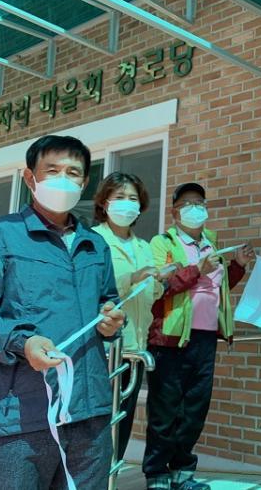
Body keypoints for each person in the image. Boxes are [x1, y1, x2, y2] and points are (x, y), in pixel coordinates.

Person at [0, 135, 125, 489]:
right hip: (14, 417)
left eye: (73, 173)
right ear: (30, 178)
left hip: (87, 415)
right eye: (52, 170)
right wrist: (22, 342)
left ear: (84, 182)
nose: (64, 179)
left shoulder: (95, 245)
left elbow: (108, 303)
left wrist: (112, 322)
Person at [143, 183, 256, 490]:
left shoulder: (211, 243)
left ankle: (183, 473)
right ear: (174, 212)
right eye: (187, 203)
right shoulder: (162, 243)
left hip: (205, 339)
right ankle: (156, 473)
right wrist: (197, 269)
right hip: (169, 339)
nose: (195, 208)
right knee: (165, 411)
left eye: (200, 202)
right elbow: (160, 287)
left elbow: (217, 289)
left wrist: (238, 266)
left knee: (194, 410)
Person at [92, 171, 169, 462]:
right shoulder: (93, 240)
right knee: (97, 423)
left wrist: (159, 281)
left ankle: (111, 474)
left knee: (122, 420)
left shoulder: (144, 247)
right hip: (102, 349)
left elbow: (151, 295)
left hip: (135, 348)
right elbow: (91, 289)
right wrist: (131, 278)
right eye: (120, 197)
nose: (127, 203)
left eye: (133, 198)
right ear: (105, 202)